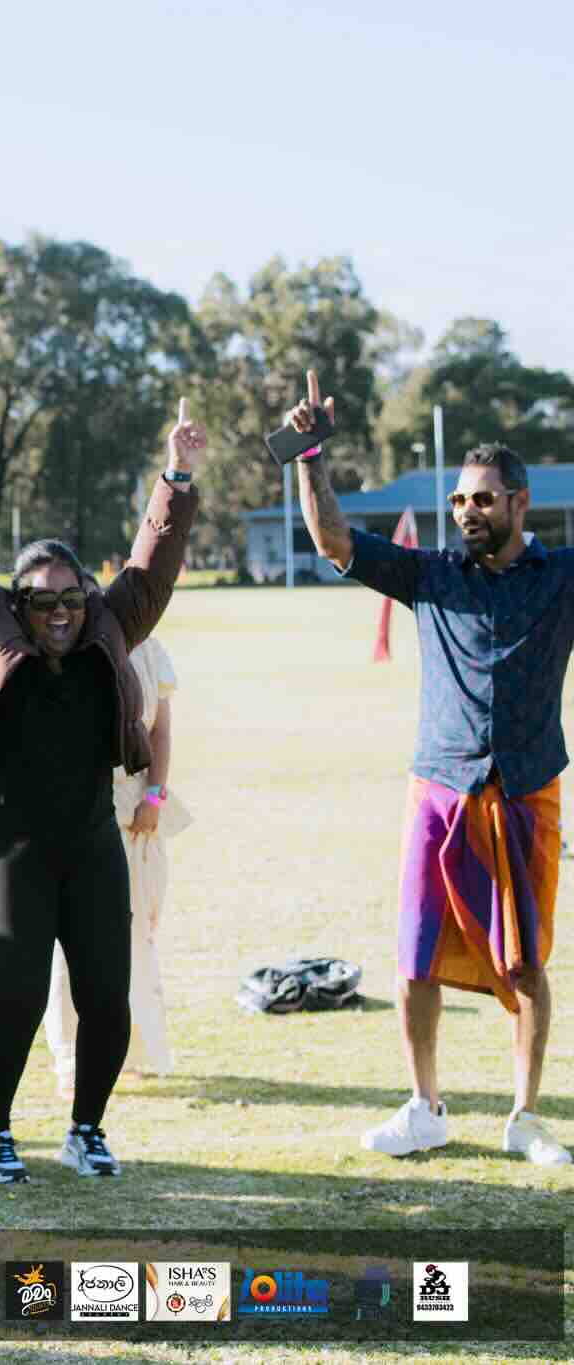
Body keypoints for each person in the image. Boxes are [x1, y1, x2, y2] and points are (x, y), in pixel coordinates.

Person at [290, 371, 571, 1166]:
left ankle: (525, 1118)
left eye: (482, 500)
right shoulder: (432, 574)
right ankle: (425, 1106)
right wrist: (310, 455)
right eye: (458, 501)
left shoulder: (561, 578)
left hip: (524, 793)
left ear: (519, 502)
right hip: (438, 789)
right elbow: (333, 540)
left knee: (524, 962)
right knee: (414, 955)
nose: (466, 513)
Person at [0, 395, 204, 1183]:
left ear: (88, 598)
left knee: (106, 1002)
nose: (57, 612)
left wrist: (176, 476)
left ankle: (86, 1128)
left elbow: (153, 564)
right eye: (40, 599)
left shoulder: (109, 628)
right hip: (8, 846)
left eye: (70, 598)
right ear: (18, 602)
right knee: (13, 1001)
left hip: (90, 844)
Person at [43, 635, 188, 1093]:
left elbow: (161, 732)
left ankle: (131, 1048)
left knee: (137, 934)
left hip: (139, 814)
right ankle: (70, 1056)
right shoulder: (76, 640)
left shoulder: (151, 648)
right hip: (83, 813)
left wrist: (153, 796)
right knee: (75, 938)